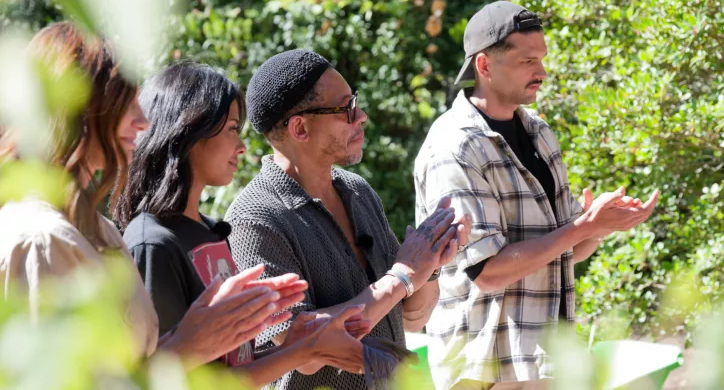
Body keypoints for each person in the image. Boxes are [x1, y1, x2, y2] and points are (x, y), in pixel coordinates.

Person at [0, 22, 300, 370]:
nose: (143, 121)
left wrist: (202, 334)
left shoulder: (96, 230)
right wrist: (188, 346)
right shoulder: (43, 240)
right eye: (126, 102)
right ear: (79, 105)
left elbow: (134, 367)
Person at [413, 1, 660, 390]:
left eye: (541, 60)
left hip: (541, 363)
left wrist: (599, 225)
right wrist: (582, 227)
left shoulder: (540, 133)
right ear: (484, 65)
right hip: (483, 368)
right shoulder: (454, 148)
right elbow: (487, 272)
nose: (542, 72)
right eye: (528, 61)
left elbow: (566, 252)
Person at [225, 49, 472, 390]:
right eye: (347, 108)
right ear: (299, 128)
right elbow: (305, 354)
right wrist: (402, 275)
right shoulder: (254, 220)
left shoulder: (357, 190)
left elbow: (412, 317)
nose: (362, 116)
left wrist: (434, 257)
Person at [114, 62, 370, 386]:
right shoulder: (153, 243)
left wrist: (299, 341)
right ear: (190, 129)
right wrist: (303, 351)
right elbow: (171, 378)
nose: (242, 146)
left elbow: (232, 365)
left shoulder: (210, 231)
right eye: (233, 128)